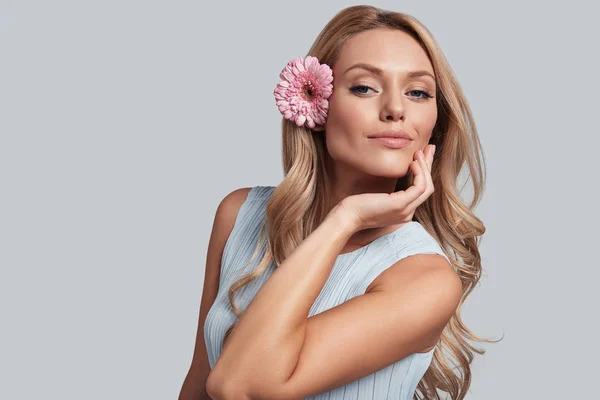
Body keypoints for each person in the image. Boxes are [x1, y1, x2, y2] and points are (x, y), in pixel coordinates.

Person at [179, 5, 499, 400]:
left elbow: (239, 386)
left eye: (417, 92)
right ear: (316, 102)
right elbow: (198, 385)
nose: (396, 110)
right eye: (365, 87)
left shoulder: (424, 280)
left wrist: (345, 219)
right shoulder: (239, 215)